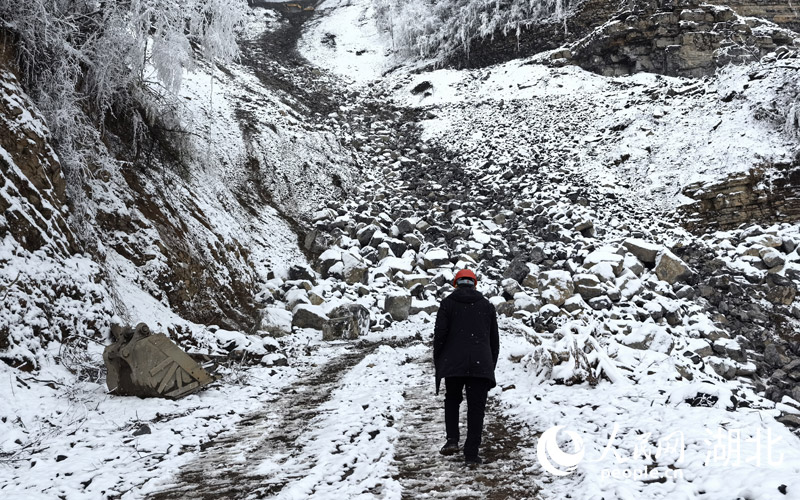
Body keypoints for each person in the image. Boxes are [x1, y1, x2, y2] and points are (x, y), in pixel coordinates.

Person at [433, 268, 499, 466]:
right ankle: (471, 453)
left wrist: (440, 362)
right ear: (474, 284)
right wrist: (489, 366)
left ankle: (452, 439)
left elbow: (440, 337)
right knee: (476, 408)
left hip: (454, 363)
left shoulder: (447, 304)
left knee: (452, 399)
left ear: (456, 284)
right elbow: (494, 341)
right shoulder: (486, 306)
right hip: (480, 364)